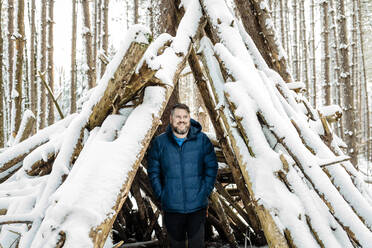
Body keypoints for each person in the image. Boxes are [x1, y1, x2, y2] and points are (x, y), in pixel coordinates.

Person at [147, 103, 218, 248]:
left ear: (189, 118)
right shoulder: (160, 143)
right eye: (178, 117)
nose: (182, 120)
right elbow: (153, 171)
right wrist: (162, 194)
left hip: (197, 207)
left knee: (196, 245)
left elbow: (211, 167)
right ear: (171, 119)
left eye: (185, 116)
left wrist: (204, 192)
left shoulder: (202, 140)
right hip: (172, 208)